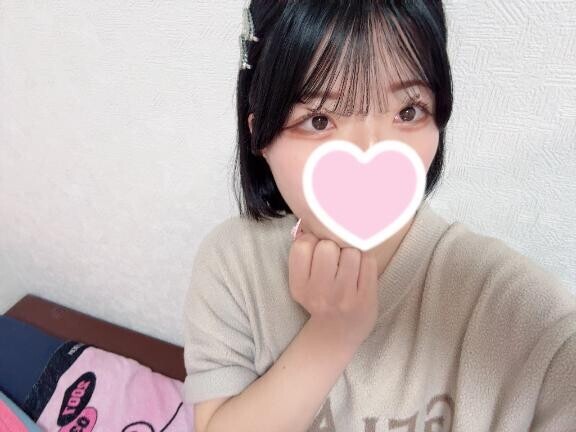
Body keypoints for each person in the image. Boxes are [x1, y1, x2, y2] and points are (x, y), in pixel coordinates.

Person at [182, 1, 576, 431]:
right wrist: (332, 334)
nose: (370, 151)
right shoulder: (234, 264)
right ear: (259, 133)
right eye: (319, 120)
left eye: (408, 112)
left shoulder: (522, 310)